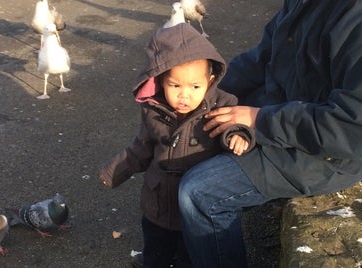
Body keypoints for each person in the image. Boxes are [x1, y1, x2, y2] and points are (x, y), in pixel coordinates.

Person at [177, 0, 362, 267]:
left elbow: (356, 128)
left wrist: (260, 120)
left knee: (200, 192)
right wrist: (205, 94)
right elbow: (263, 57)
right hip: (282, 111)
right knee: (182, 138)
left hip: (327, 151)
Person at [98, 23, 255, 268]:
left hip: (192, 210)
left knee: (188, 257)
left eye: (194, 87)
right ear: (161, 82)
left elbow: (232, 125)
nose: (184, 96)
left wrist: (239, 135)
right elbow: (141, 148)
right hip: (158, 203)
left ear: (210, 81)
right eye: (175, 86)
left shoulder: (218, 107)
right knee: (155, 252)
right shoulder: (154, 111)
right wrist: (114, 170)